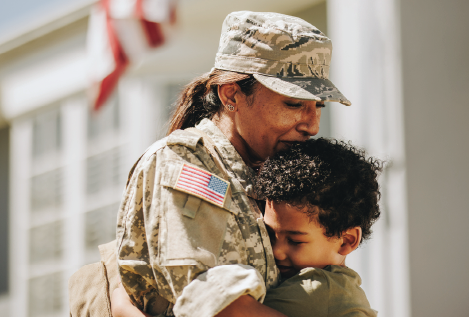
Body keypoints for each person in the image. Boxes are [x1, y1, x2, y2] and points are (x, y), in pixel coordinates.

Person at [113, 10, 351, 317]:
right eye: (293, 103)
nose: (312, 125)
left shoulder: (275, 173)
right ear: (231, 95)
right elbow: (226, 309)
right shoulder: (186, 165)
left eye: (317, 106)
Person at [114, 138, 382, 317]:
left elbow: (227, 312)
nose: (277, 251)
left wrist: (122, 305)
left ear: (347, 241)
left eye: (295, 240)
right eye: (271, 235)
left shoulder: (315, 290)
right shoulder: (188, 160)